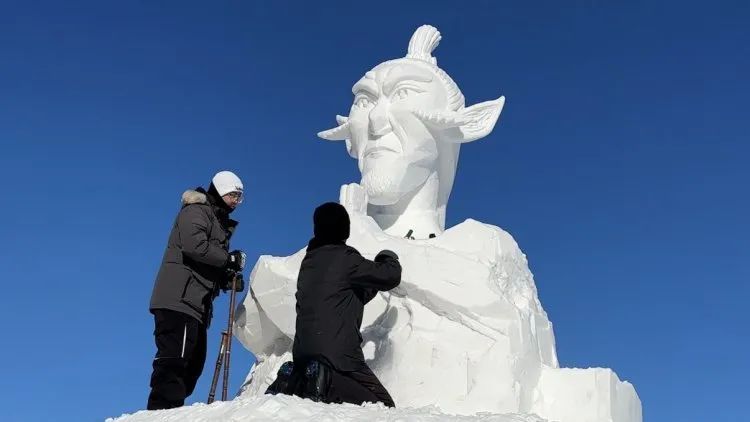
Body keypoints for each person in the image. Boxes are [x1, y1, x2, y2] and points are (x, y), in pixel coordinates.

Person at [267, 202, 401, 407]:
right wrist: (388, 257)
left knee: (315, 385)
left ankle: (292, 382)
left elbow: (344, 296)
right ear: (344, 229)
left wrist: (369, 285)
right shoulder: (346, 259)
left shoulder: (309, 263)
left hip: (303, 352)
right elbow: (390, 276)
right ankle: (329, 380)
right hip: (338, 355)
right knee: (382, 405)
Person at [146, 170, 248, 410]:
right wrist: (227, 260)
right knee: (175, 359)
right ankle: (160, 412)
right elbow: (195, 246)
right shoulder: (196, 211)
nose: (236, 201)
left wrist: (226, 277)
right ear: (220, 191)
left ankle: (172, 410)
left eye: (239, 197)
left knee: (193, 364)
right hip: (178, 300)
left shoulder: (216, 220)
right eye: (233, 194)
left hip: (196, 304)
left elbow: (206, 261)